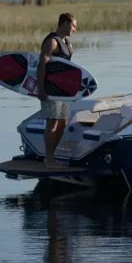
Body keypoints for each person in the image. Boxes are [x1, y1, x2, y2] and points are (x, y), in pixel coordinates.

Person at [38, 12, 78, 168]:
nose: (75, 29)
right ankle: (49, 159)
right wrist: (41, 89)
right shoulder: (52, 42)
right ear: (64, 23)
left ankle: (50, 157)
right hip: (50, 89)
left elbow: (69, 71)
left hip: (63, 91)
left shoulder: (68, 44)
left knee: (62, 122)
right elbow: (42, 66)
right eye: (73, 25)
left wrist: (74, 91)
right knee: (52, 122)